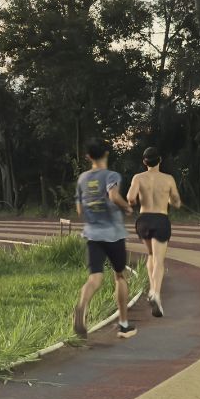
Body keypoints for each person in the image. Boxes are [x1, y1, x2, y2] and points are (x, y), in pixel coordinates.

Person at [72, 139, 136, 340]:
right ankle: (124, 325)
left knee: (95, 277)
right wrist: (126, 207)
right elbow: (113, 195)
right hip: (113, 234)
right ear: (106, 154)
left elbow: (79, 209)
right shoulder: (111, 175)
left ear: (88, 157)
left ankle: (82, 305)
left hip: (92, 233)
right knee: (120, 275)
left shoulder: (82, 179)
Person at [127, 146, 181, 317]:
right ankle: (155, 293)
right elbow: (176, 202)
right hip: (160, 219)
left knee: (150, 254)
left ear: (144, 162)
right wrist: (171, 200)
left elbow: (130, 198)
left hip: (143, 220)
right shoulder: (168, 179)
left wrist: (134, 198)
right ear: (160, 160)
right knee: (159, 259)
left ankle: (152, 290)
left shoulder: (138, 178)